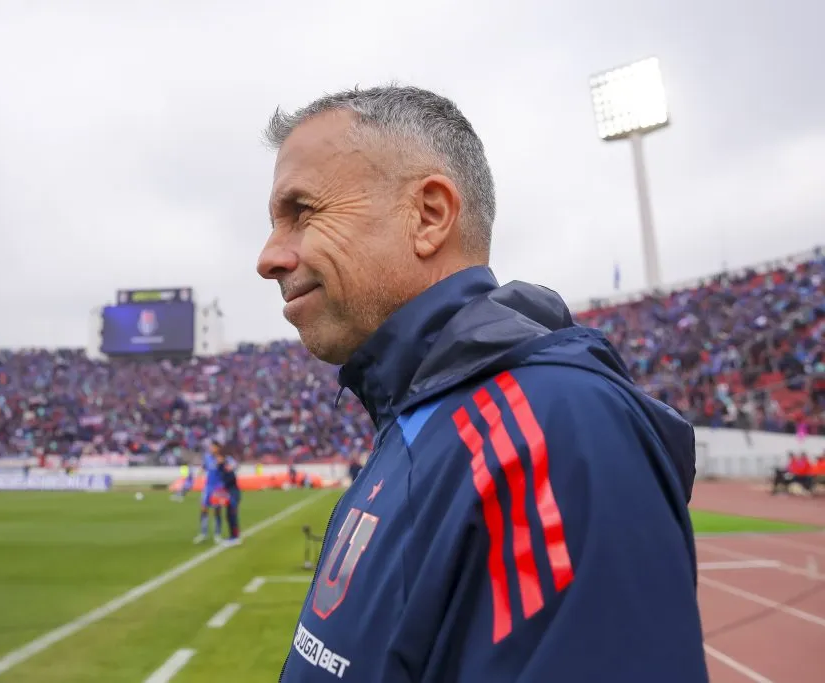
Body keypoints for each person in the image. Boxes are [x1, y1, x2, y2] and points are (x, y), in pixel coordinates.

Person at [258, 85, 708, 682]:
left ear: (429, 216)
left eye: (302, 212)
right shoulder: (424, 417)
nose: (268, 256)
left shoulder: (549, 428)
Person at [194, 442, 227, 543]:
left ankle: (217, 534)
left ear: (218, 448)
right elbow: (204, 467)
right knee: (204, 509)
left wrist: (222, 464)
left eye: (213, 447)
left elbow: (228, 470)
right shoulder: (207, 457)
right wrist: (199, 472)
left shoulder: (222, 458)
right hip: (208, 487)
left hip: (219, 487)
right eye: (211, 447)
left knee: (217, 510)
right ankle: (203, 533)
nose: (211, 448)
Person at [217, 450, 242, 546]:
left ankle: (235, 537)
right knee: (229, 516)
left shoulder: (228, 468)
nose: (217, 460)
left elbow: (231, 479)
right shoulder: (222, 468)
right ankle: (233, 536)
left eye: (218, 458)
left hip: (233, 494)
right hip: (229, 494)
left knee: (232, 516)